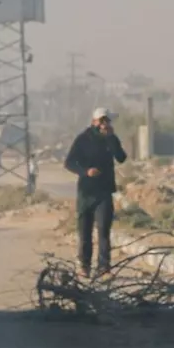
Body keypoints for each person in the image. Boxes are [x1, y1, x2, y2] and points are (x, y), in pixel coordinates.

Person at [64, 108, 128, 277]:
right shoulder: (83, 139)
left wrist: (112, 138)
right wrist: (86, 171)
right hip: (86, 192)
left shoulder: (110, 139)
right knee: (85, 231)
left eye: (107, 121)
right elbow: (69, 162)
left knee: (103, 229)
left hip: (104, 191)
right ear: (94, 122)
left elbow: (121, 157)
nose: (105, 124)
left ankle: (104, 267)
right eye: (102, 120)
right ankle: (84, 266)